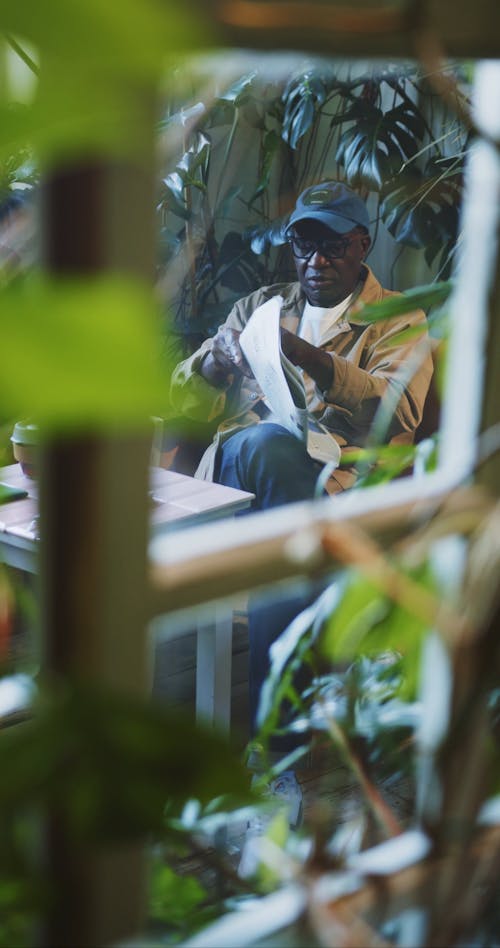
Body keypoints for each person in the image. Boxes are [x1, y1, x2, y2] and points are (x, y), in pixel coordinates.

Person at [170, 181, 433, 818]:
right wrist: (210, 367)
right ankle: (290, 739)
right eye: (303, 244)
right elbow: (179, 400)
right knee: (268, 444)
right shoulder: (262, 305)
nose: (315, 260)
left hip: (335, 491)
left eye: (331, 246)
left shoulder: (398, 317)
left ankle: (276, 742)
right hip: (241, 474)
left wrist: (305, 356)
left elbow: (396, 411)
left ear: (362, 245)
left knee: (293, 526)